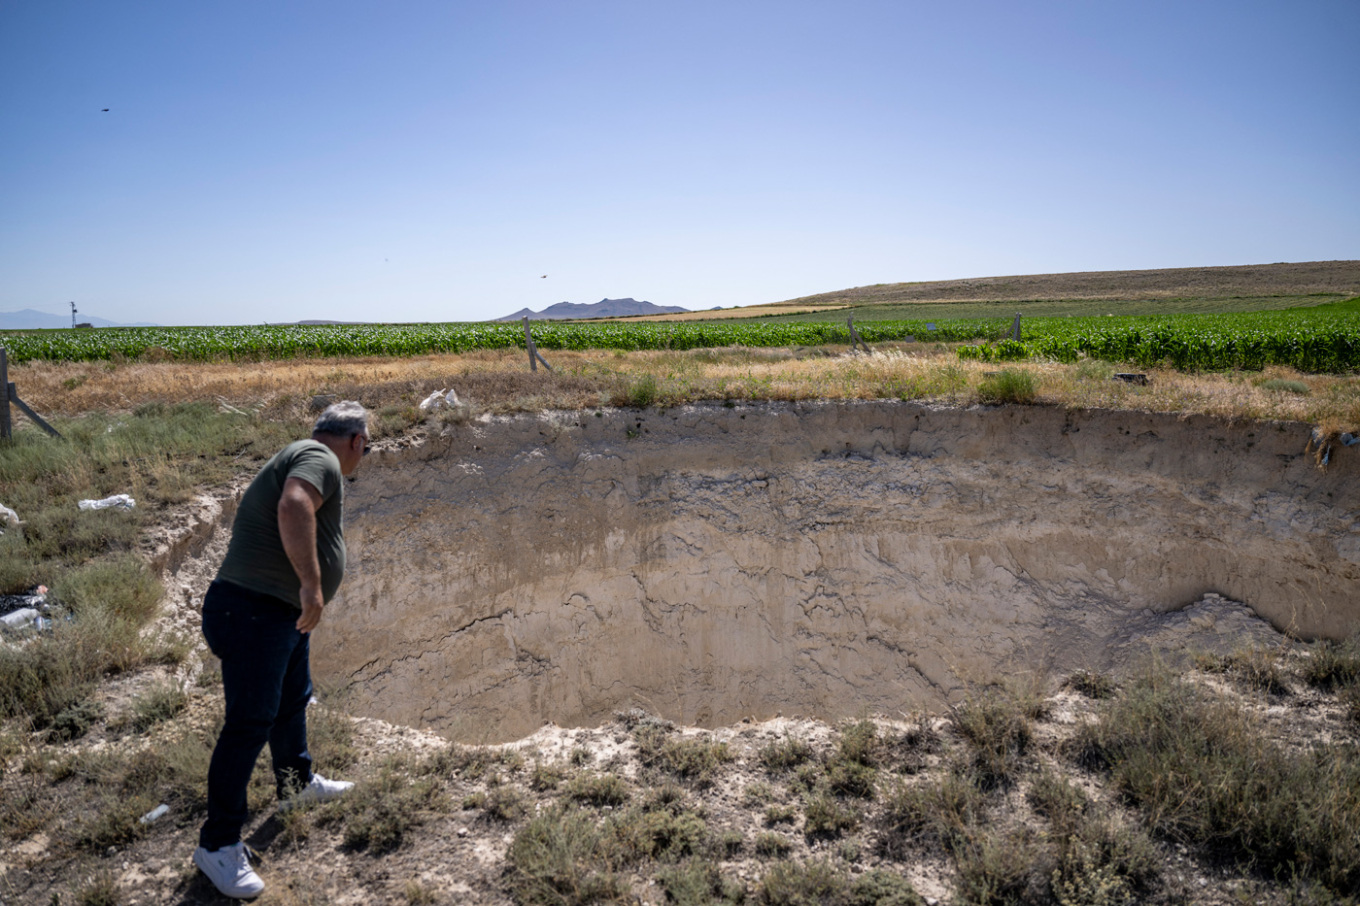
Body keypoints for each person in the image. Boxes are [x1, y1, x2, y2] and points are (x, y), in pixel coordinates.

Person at [192, 401, 370, 898]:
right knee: (249, 723)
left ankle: (296, 784)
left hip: (270, 612)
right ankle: (218, 845)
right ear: (355, 440)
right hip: (254, 612)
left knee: (293, 699)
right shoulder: (321, 457)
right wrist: (312, 586)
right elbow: (294, 505)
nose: (363, 455)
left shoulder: (304, 451)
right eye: (367, 447)